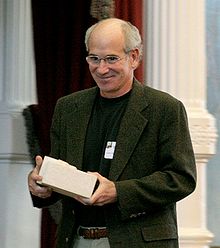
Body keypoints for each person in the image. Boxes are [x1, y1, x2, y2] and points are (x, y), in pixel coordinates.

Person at [28, 18, 196, 248]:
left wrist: (118, 192)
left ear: (134, 57)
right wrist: (41, 186)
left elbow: (181, 179)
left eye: (111, 59)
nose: (101, 68)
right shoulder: (68, 108)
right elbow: (60, 175)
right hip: (75, 239)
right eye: (94, 59)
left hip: (137, 242)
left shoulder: (164, 108)